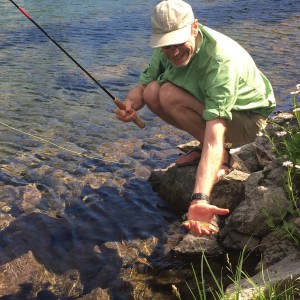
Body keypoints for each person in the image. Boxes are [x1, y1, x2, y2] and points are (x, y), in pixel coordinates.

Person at [115, 0, 276, 236]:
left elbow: (214, 134)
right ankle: (208, 153)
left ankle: (223, 158)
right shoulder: (167, 51)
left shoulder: (221, 60)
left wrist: (199, 197)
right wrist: (129, 105)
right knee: (152, 92)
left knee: (168, 93)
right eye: (166, 46)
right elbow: (142, 87)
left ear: (195, 27)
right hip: (217, 110)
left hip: (248, 119)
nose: (173, 52)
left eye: (179, 42)